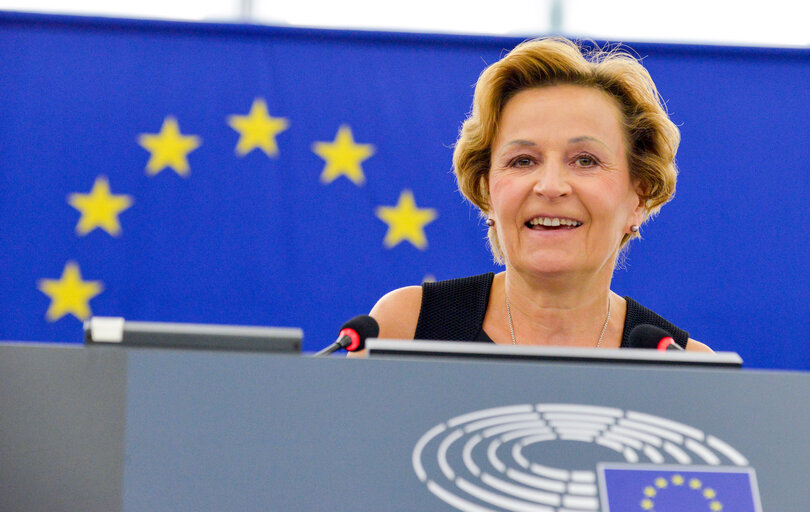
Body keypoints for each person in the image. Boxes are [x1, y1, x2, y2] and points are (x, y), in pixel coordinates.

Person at [364, 37, 711, 351]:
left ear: (639, 196)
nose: (550, 186)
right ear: (487, 192)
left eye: (585, 160)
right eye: (523, 160)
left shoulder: (681, 364)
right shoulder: (405, 328)